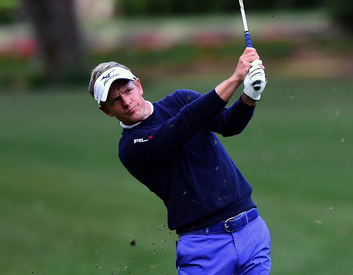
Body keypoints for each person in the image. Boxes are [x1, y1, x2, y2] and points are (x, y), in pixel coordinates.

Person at [88, 47, 271, 275]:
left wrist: (250, 96)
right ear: (106, 111)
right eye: (116, 100)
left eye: (128, 90)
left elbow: (228, 124)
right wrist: (235, 79)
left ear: (139, 85)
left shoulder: (180, 99)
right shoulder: (130, 147)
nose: (126, 101)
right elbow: (182, 126)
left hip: (251, 229)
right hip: (204, 247)